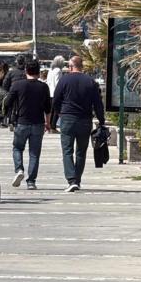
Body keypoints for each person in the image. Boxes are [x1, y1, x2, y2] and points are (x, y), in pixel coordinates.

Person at [52, 55, 105, 192]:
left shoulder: (64, 80)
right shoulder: (90, 82)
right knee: (81, 151)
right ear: (82, 66)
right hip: (85, 120)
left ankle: (71, 180)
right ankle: (77, 180)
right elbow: (98, 103)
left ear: (71, 67)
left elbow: (56, 99)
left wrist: (59, 113)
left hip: (68, 118)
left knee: (67, 150)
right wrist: (101, 120)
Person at [8, 59, 52, 189]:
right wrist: (48, 123)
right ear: (38, 72)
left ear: (26, 70)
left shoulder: (17, 85)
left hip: (22, 122)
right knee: (34, 153)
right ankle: (31, 181)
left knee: (17, 148)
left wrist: (6, 117)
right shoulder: (44, 87)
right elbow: (48, 108)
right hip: (38, 123)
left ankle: (19, 170)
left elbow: (8, 101)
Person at [47, 55, 65, 133]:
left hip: (50, 92)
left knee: (51, 110)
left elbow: (48, 81)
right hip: (56, 93)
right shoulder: (58, 70)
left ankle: (50, 126)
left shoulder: (50, 70)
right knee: (56, 111)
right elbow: (58, 82)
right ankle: (53, 127)